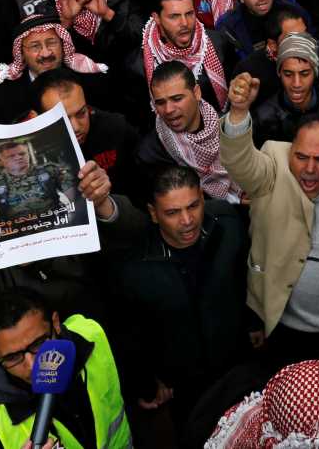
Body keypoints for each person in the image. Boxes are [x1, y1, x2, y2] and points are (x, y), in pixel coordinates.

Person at [218, 72, 319, 363]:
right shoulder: (273, 165)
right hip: (282, 327)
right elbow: (239, 161)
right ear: (290, 150)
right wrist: (239, 112)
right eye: (301, 156)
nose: (309, 169)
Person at [104, 165, 257, 434]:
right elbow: (131, 333)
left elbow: (246, 277)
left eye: (193, 206)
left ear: (202, 197)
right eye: (173, 213)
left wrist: (253, 322)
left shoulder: (228, 224)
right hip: (185, 384)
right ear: (153, 213)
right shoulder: (133, 266)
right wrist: (148, 383)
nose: (187, 220)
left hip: (237, 365)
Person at [0, 287, 131, 449]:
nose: (32, 365)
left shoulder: (93, 333)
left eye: (39, 344)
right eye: (13, 357)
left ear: (55, 323)